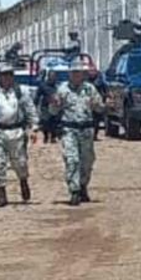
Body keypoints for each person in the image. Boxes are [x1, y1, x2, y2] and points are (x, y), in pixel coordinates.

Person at [0, 63, 40, 208]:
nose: (6, 78)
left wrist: (34, 128)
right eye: (3, 75)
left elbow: (30, 110)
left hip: (17, 132)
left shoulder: (21, 91)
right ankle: (2, 194)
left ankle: (23, 181)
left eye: (9, 74)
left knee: (20, 163)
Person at [49, 61, 105, 206]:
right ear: (69, 74)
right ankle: (74, 191)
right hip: (69, 129)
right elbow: (53, 111)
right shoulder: (62, 89)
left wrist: (103, 106)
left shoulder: (89, 89)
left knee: (87, 161)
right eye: (73, 72)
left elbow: (99, 108)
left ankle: (83, 185)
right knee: (72, 159)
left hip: (86, 130)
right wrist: (54, 104)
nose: (76, 75)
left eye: (79, 73)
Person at [35, 70, 60, 144]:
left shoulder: (58, 86)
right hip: (45, 106)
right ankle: (45, 136)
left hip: (55, 106)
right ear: (48, 77)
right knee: (45, 122)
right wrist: (35, 105)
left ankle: (53, 137)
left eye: (54, 76)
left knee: (54, 122)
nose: (53, 78)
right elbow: (38, 95)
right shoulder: (43, 85)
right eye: (52, 76)